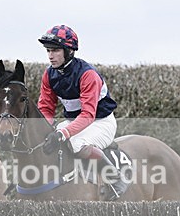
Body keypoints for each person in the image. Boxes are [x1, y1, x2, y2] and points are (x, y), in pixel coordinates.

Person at [37, 24, 126, 200]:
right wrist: (44, 129)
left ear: (69, 51)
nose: (50, 55)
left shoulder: (87, 75)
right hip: (75, 122)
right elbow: (46, 108)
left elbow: (87, 115)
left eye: (55, 50)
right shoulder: (49, 75)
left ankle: (115, 178)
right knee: (46, 140)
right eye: (48, 50)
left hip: (100, 122)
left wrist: (63, 133)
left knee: (76, 143)